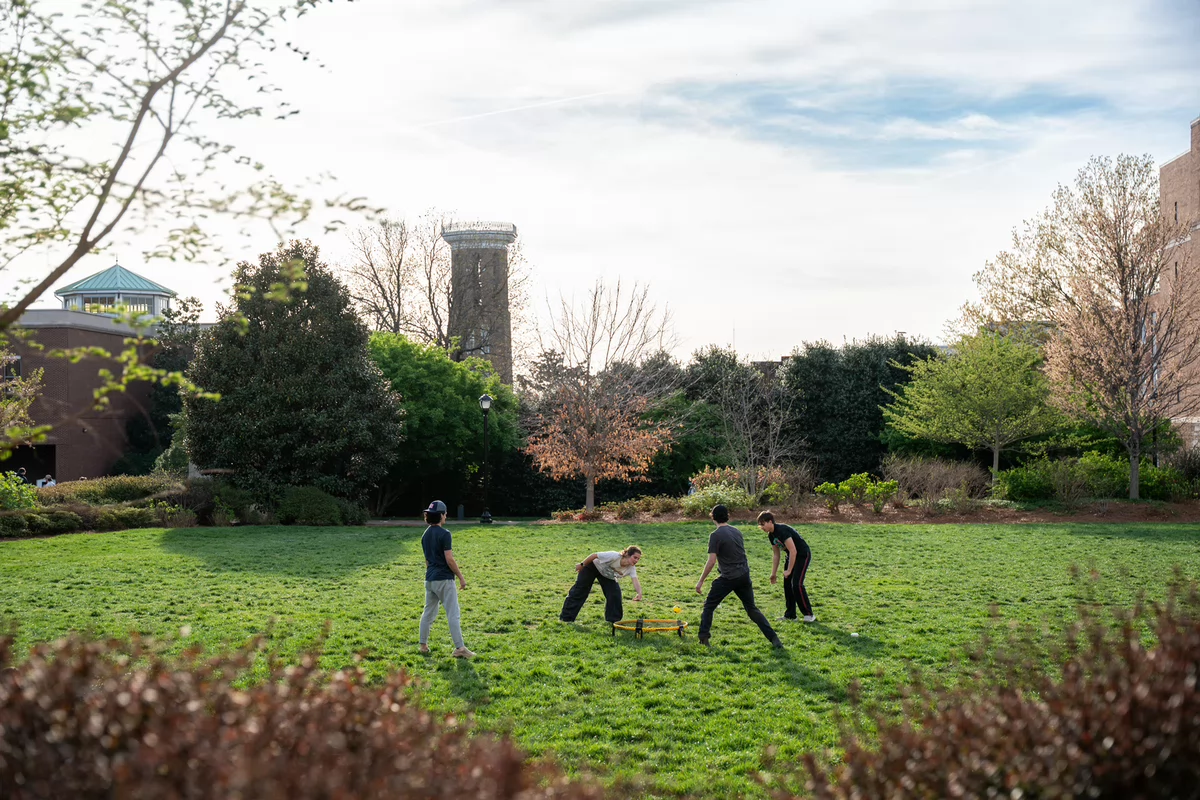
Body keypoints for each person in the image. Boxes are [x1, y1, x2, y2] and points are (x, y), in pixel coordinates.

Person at [695, 504, 783, 649]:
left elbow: (711, 561)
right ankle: (774, 638)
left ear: (713, 517)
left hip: (728, 577)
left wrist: (700, 581)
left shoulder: (715, 535)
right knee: (751, 609)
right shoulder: (736, 531)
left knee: (709, 606)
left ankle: (703, 638)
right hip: (743, 575)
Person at [418, 500, 475, 659]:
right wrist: (461, 577)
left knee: (428, 612)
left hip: (430, 579)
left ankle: (423, 645)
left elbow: (427, 561)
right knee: (453, 614)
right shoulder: (445, 534)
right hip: (444, 579)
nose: (446, 516)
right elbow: (449, 559)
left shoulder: (425, 535)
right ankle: (460, 648)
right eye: (445, 513)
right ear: (441, 515)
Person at [757, 510, 815, 622]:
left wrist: (789, 570)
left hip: (802, 555)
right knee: (788, 585)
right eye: (760, 525)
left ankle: (809, 614)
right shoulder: (771, 535)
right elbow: (776, 555)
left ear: (770, 522)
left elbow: (793, 550)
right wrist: (773, 574)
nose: (761, 527)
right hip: (792, 555)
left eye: (763, 524)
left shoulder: (782, 530)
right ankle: (790, 615)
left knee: (796, 584)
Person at [560, 546, 643, 623]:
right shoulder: (614, 556)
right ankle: (566, 618)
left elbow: (635, 580)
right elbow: (594, 555)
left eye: (638, 559)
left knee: (615, 595)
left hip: (607, 575)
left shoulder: (631, 568)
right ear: (627, 554)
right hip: (592, 567)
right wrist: (582, 565)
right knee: (580, 591)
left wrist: (639, 593)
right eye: (635, 557)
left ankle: (613, 621)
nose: (636, 560)